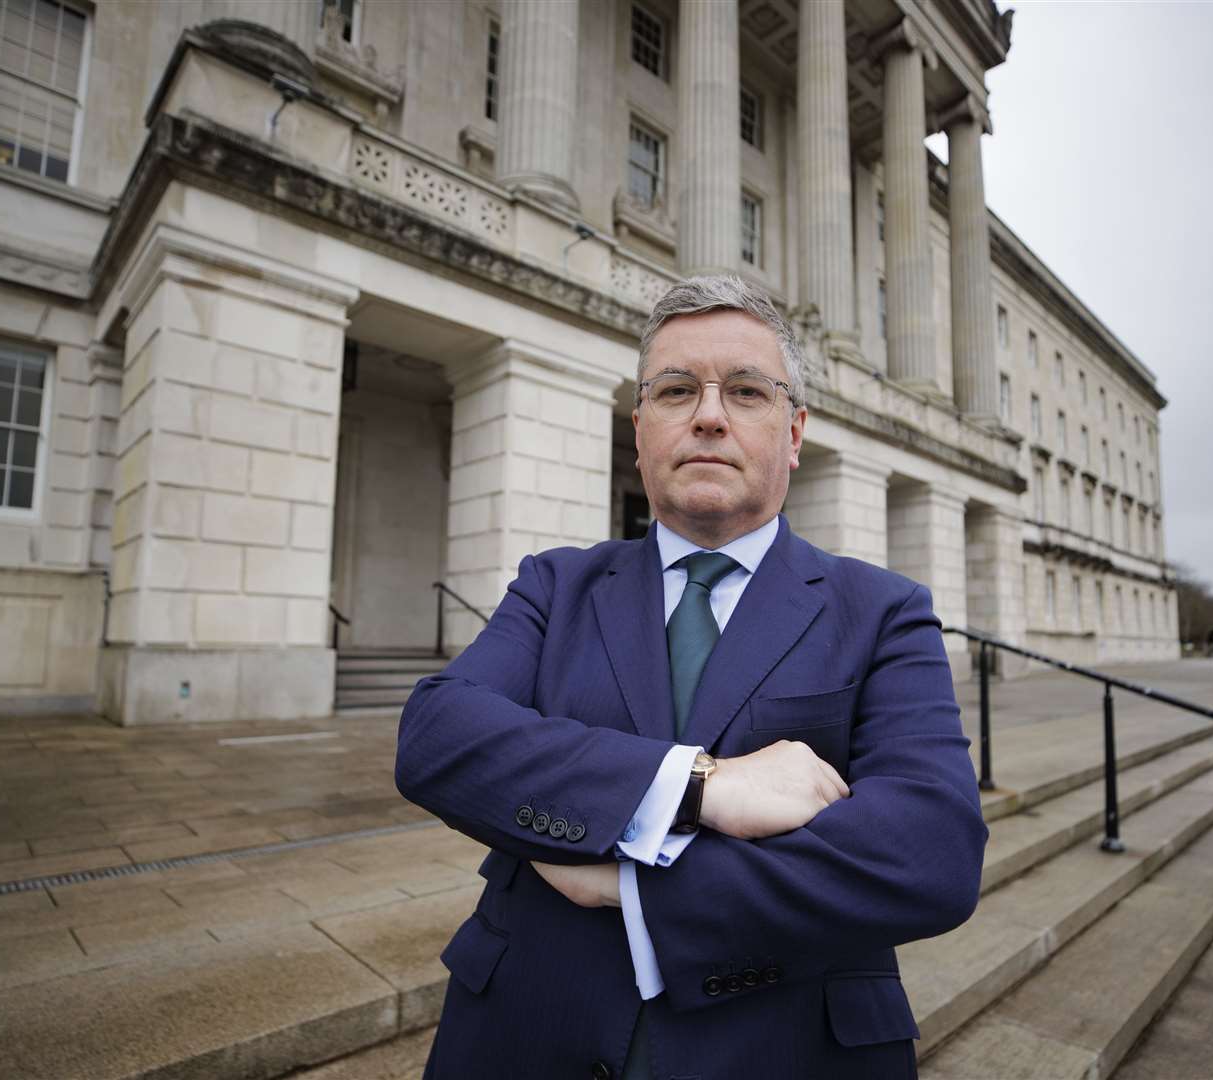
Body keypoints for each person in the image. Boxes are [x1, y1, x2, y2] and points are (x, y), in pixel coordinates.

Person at [395, 275, 987, 1079]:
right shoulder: (556, 584)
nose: (709, 414)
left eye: (746, 390)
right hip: (525, 1033)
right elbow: (439, 735)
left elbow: (931, 851)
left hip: (786, 1047)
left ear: (794, 432)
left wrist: (630, 888)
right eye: (677, 390)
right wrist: (698, 785)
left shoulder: (881, 609)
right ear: (640, 431)